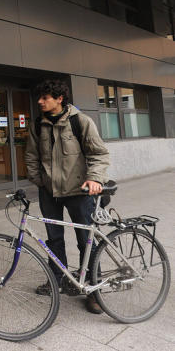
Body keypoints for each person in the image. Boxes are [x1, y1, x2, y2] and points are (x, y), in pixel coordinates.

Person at [24, 79, 109, 314]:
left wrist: (94, 179)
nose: (40, 101)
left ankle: (93, 289)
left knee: (86, 241)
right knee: (54, 240)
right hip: (49, 193)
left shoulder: (80, 121)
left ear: (59, 99)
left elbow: (99, 154)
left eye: (45, 97)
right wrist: (40, 181)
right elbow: (31, 156)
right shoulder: (37, 125)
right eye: (39, 97)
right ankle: (57, 280)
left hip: (79, 193)